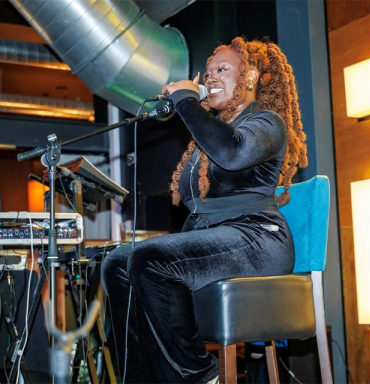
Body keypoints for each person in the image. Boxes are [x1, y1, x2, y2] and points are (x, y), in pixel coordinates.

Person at [101, 36, 307, 383]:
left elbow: (232, 154)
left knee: (151, 261)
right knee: (117, 263)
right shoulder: (211, 136)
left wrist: (184, 99)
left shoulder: (267, 123)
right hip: (220, 239)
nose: (210, 78)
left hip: (257, 237)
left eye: (222, 70)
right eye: (207, 72)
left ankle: (199, 376)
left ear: (251, 77)